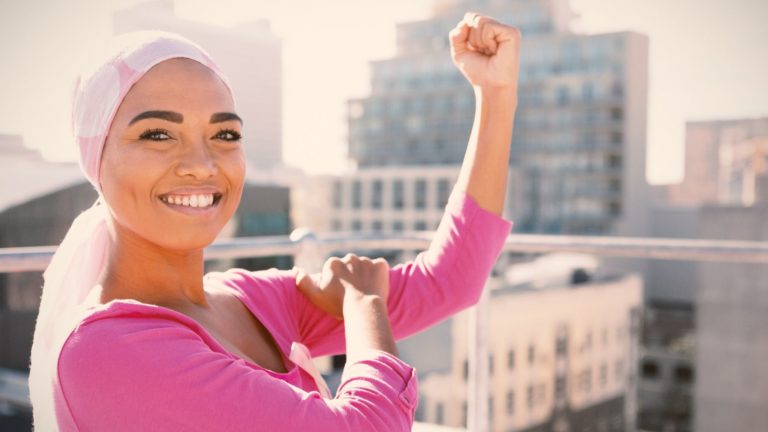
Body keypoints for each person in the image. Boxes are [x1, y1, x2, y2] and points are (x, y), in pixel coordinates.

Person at [28, 11, 519, 432]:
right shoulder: (106, 351)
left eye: (225, 134)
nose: (202, 163)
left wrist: (495, 95)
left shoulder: (250, 300)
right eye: (158, 134)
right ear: (96, 159)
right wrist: (365, 303)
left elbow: (449, 281)